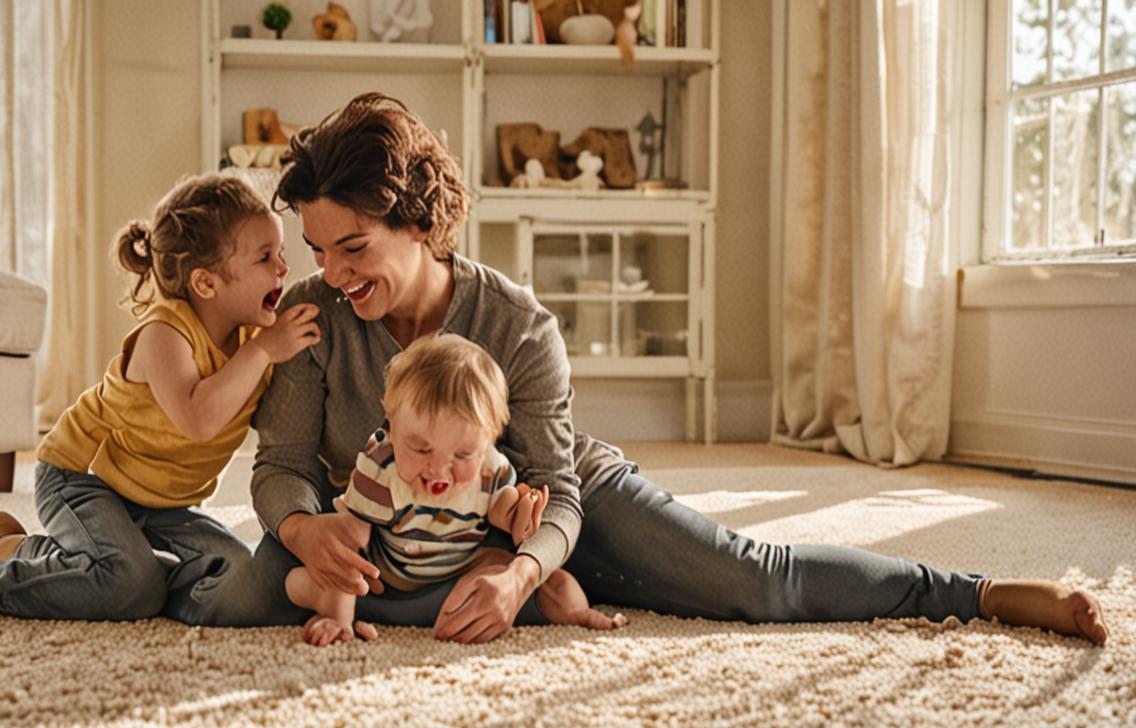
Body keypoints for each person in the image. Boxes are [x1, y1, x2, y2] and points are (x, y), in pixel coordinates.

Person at [248, 92, 1109, 646]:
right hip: (415, 533)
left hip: (556, 514)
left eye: (354, 247)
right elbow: (283, 463)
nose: (333, 272)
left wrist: (524, 570)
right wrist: (302, 531)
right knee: (256, 591)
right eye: (318, 250)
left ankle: (978, 592)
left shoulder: (516, 322)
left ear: (418, 222)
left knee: (749, 582)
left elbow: (558, 486)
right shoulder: (314, 318)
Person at [0, 173, 321, 624]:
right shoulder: (166, 333)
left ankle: (12, 547)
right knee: (130, 585)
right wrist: (263, 352)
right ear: (206, 283)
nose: (283, 268)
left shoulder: (256, 339)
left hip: (164, 503)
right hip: (82, 478)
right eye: (265, 258)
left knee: (240, 577)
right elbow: (198, 419)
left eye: (281, 253)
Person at [285, 333, 627, 645]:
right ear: (391, 425)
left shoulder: (490, 467)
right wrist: (341, 595)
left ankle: (577, 614)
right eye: (420, 449)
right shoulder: (380, 468)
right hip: (385, 580)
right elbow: (353, 538)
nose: (438, 470)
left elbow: (502, 514)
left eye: (462, 455)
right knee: (322, 575)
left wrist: (522, 518)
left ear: (488, 439)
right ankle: (338, 619)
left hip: (462, 573)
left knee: (552, 580)